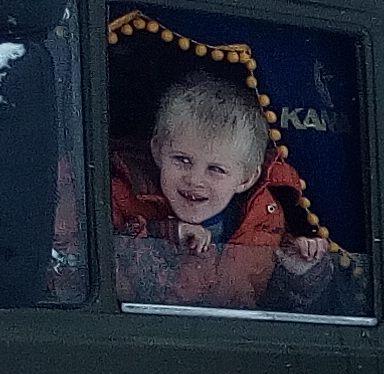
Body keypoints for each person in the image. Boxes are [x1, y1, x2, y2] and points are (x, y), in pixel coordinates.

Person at [109, 71, 357, 312]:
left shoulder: (265, 218)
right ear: (157, 151)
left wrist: (298, 271)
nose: (195, 179)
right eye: (182, 160)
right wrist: (162, 235)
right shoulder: (121, 197)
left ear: (247, 178)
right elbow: (104, 270)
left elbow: (275, 306)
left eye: (215, 169)